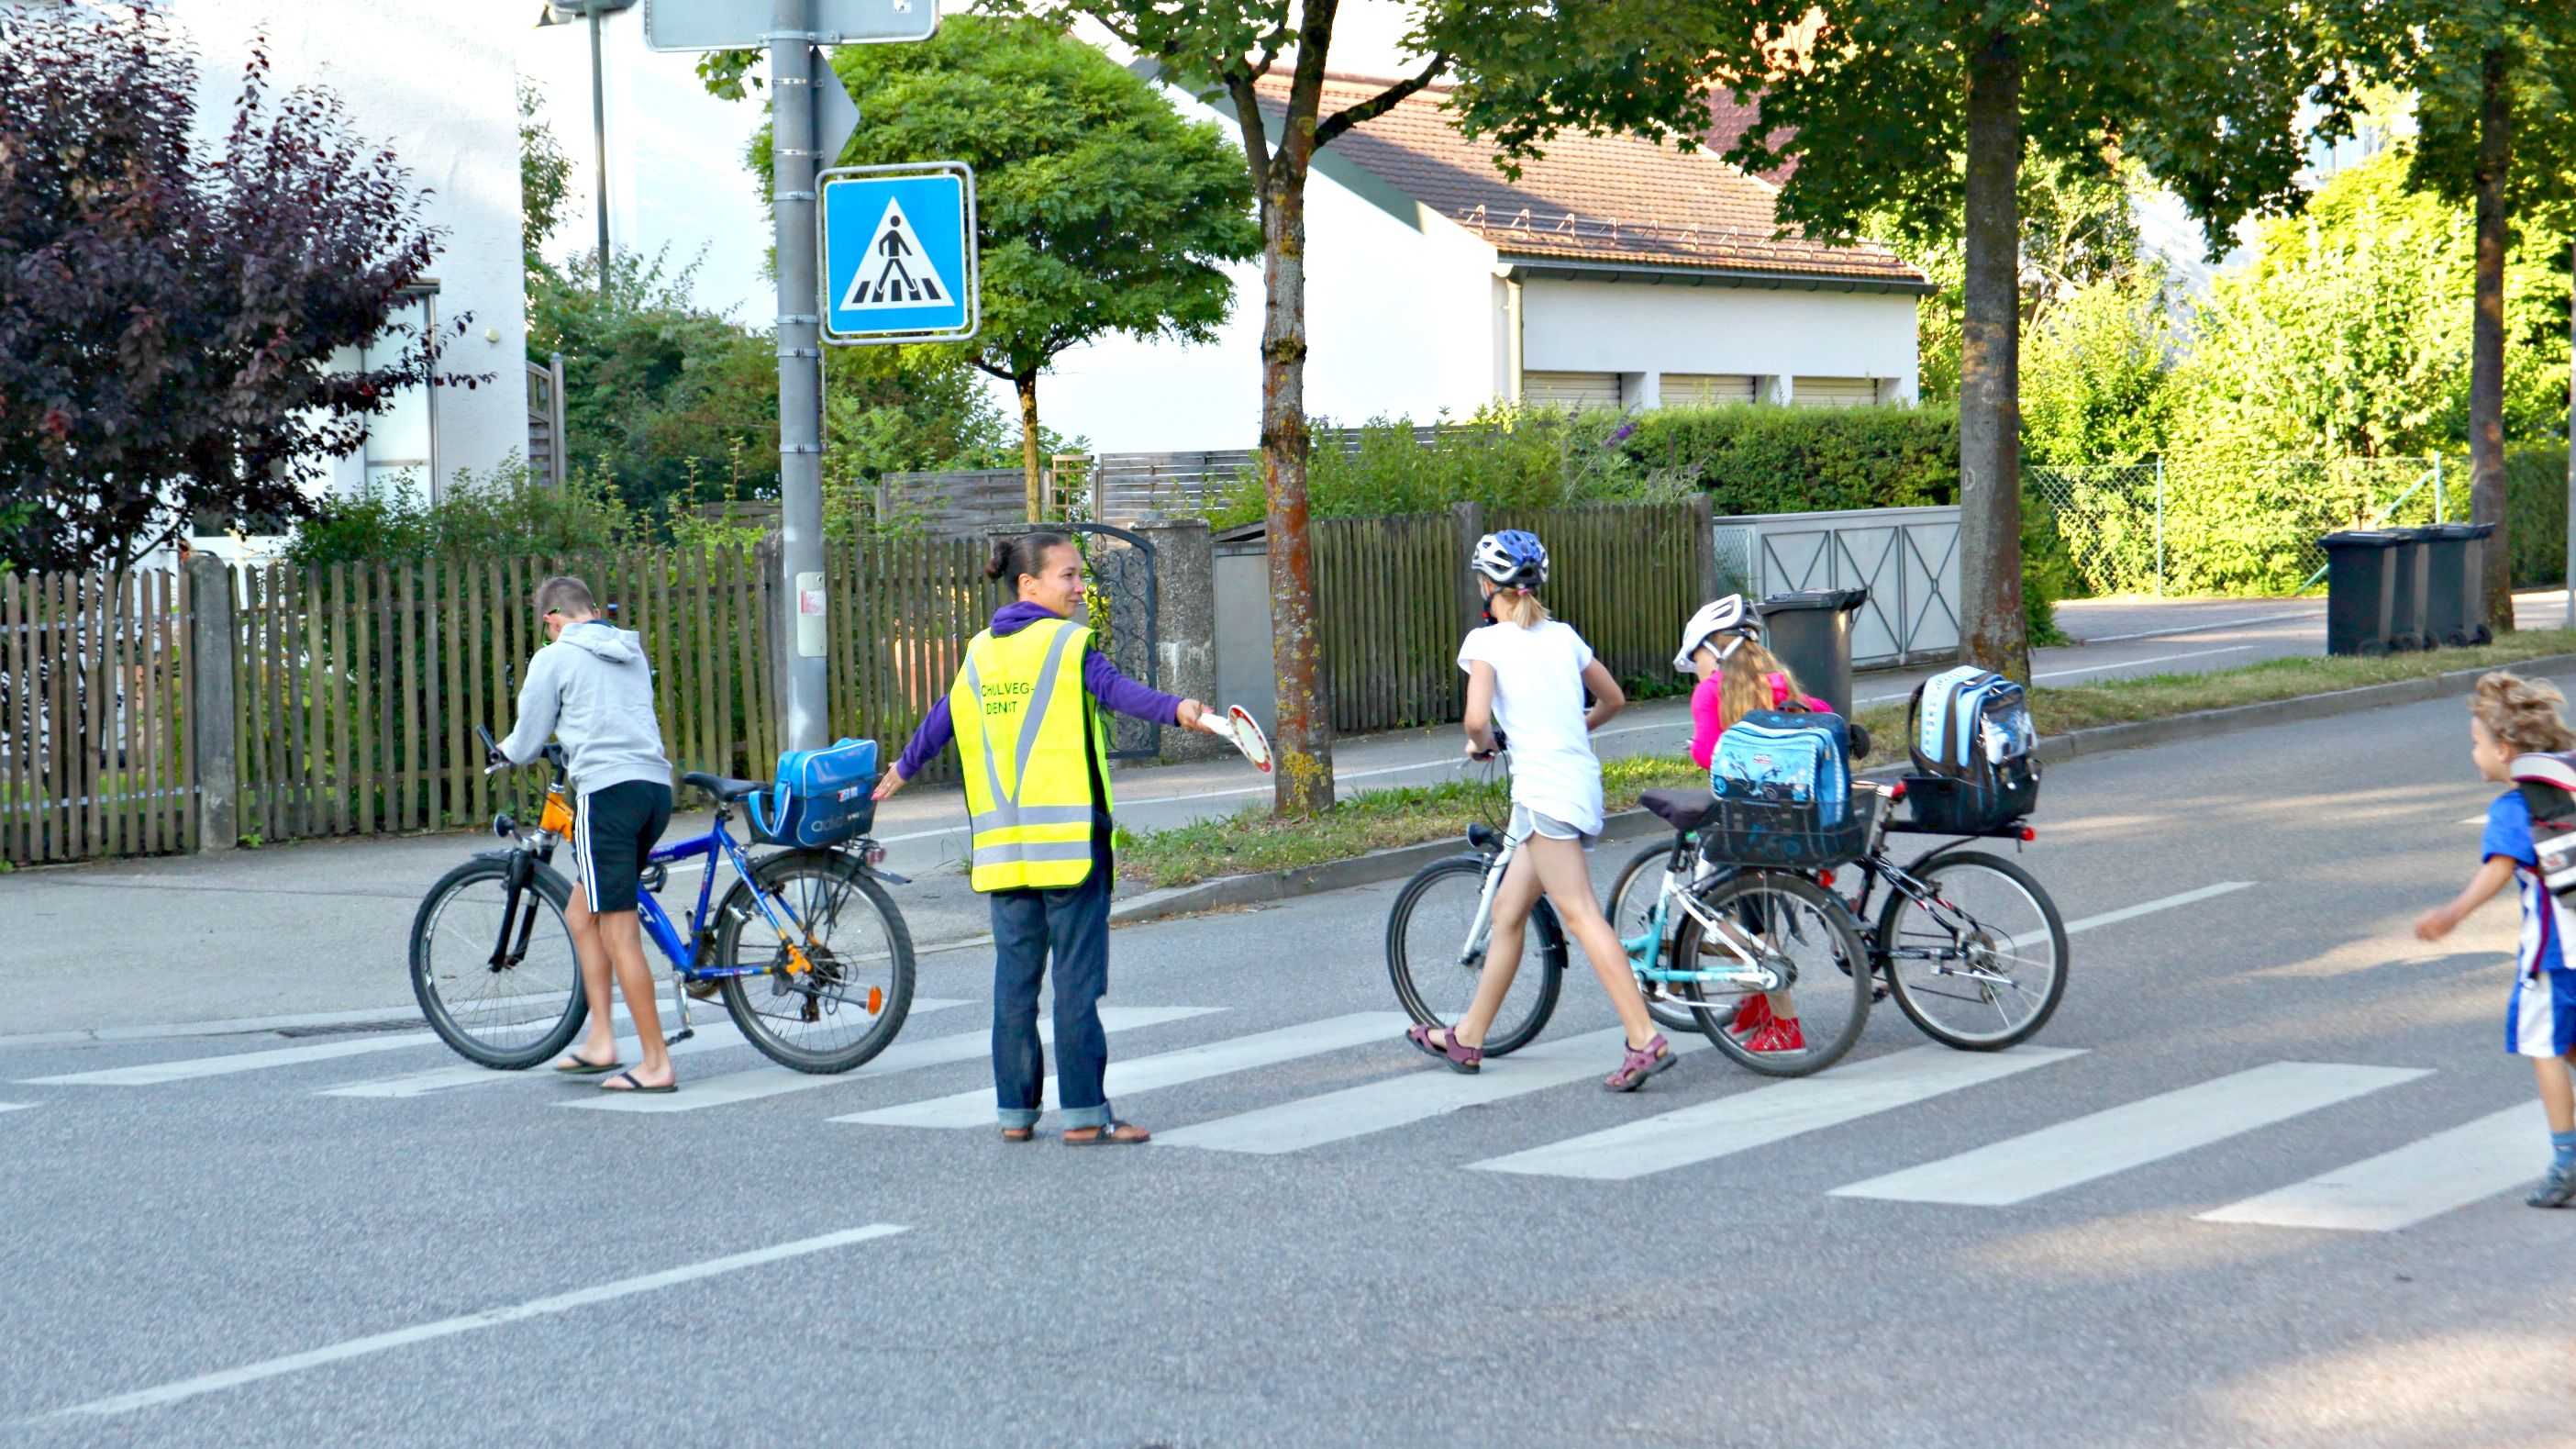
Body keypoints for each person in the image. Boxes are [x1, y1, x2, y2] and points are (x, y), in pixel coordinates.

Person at [873, 532, 1208, 1144]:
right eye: (1069, 575)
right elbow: (1119, 692)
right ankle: (1084, 1115)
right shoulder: (1067, 644)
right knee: (1076, 985)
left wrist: (901, 770)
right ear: (1029, 585)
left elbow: (942, 718)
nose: (1081, 587)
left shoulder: (980, 652)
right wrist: (1179, 708)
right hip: (1071, 849)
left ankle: (1016, 1116)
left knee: (1014, 987)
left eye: (1080, 576)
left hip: (1006, 855)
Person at [1406, 530, 1674, 1091]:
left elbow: (1476, 720)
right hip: (1567, 785)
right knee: (1507, 911)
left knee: (1579, 914)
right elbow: (1613, 699)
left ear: (1486, 586)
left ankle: (1643, 1037)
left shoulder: (1487, 643)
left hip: (1546, 792)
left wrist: (1484, 743)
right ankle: (1470, 1036)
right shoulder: (1564, 637)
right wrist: (1562, 731)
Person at [495, 575, 679, 1094]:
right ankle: (601, 1039)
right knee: (583, 912)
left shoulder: (552, 658)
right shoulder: (629, 650)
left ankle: (655, 1064)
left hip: (606, 793)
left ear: (551, 619)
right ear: (591, 611)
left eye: (545, 625)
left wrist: (504, 753)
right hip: (653, 789)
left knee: (619, 930)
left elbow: (529, 740)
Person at [2414, 671, 2576, 1209]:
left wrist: (2452, 914)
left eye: (2477, 745)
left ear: (2505, 751)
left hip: (2555, 956)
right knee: (2568, 1041)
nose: (2474, 754)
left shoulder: (2514, 809)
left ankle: (2567, 1159)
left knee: (2543, 1047)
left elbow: (2500, 868)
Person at [1673, 593, 1838, 1054]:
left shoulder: (1711, 693)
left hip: (1747, 829)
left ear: (1714, 651)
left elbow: (1708, 755)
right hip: (1798, 826)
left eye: (1699, 657)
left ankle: (1784, 1021)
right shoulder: (1783, 685)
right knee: (1753, 910)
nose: (1699, 667)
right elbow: (1825, 719)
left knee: (1706, 912)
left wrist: (1703, 745)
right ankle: (1758, 1003)